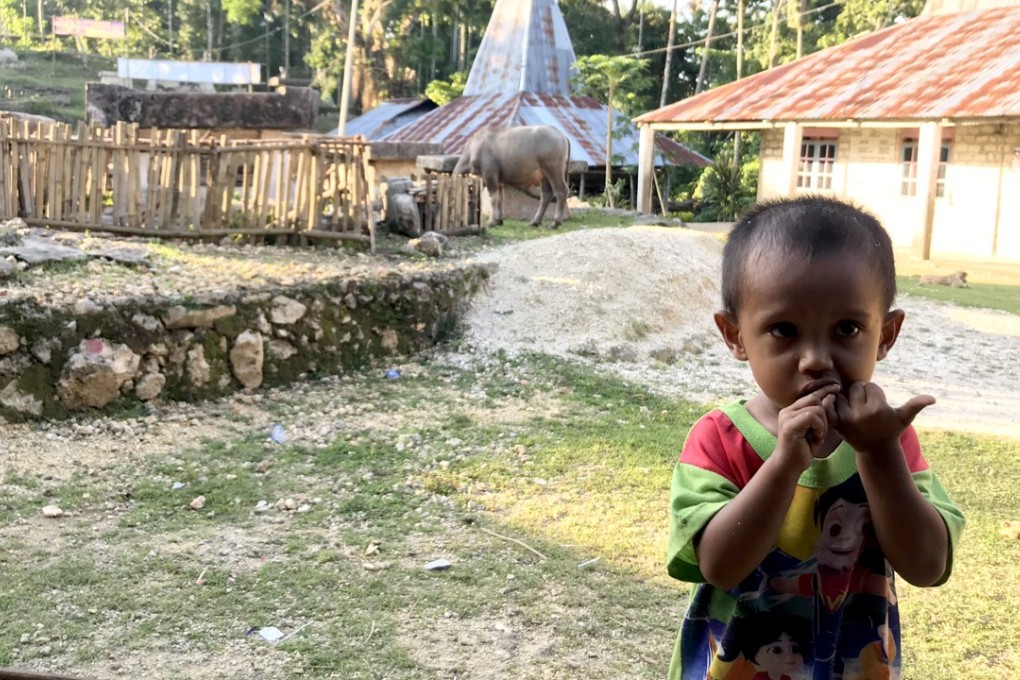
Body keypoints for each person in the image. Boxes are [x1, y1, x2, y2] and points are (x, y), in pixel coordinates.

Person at [666, 196, 965, 680]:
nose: (815, 359)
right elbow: (720, 566)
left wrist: (879, 453)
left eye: (846, 328)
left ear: (885, 335)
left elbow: (927, 565)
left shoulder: (889, 443)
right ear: (735, 335)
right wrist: (783, 465)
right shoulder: (719, 439)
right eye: (783, 330)